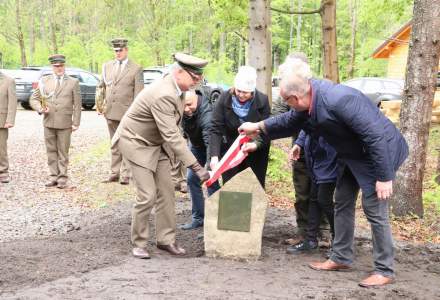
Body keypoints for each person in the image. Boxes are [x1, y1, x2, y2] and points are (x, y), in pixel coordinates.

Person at [238, 58, 408, 287]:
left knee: (374, 210)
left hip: (377, 154)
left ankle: (384, 269)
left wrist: (384, 176)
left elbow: (375, 135)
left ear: (295, 98)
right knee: (342, 201)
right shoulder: (308, 102)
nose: (288, 106)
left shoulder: (339, 99)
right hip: (352, 155)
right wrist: (258, 127)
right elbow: (288, 121)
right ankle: (341, 257)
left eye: (287, 102)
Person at [113, 53, 210, 259]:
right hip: (136, 142)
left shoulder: (180, 89)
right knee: (147, 195)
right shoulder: (164, 93)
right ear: (179, 72)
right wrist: (196, 167)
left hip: (157, 144)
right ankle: (139, 242)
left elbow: (173, 129)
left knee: (166, 192)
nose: (197, 81)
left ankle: (166, 240)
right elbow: (172, 136)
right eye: (194, 77)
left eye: (199, 78)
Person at [210, 66, 270, 188]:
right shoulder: (224, 99)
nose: (241, 95)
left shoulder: (262, 101)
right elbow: (216, 128)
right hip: (231, 152)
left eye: (245, 92)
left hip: (255, 153)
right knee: (232, 189)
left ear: (252, 91)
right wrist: (214, 156)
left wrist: (255, 145)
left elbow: (267, 129)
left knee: (253, 190)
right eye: (238, 91)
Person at [30, 54, 82, 189]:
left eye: (61, 66)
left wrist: (76, 122)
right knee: (51, 151)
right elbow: (33, 99)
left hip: (65, 123)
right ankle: (53, 176)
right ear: (52, 66)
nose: (58, 68)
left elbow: (77, 104)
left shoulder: (73, 82)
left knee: (63, 152)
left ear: (64, 65)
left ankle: (62, 178)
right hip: (49, 121)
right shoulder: (45, 81)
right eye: (56, 66)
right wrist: (40, 108)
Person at [99, 38, 143, 185]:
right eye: (116, 51)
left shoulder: (136, 68)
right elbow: (101, 87)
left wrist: (136, 115)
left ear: (126, 50)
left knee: (126, 144)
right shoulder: (107, 66)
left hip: (127, 114)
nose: (118, 53)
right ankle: (114, 173)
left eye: (120, 50)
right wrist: (100, 105)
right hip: (110, 112)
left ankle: (125, 175)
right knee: (114, 143)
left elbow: (139, 95)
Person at [286, 130, 337, 255]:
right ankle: (311, 240)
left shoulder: (329, 111)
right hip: (314, 157)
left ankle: (339, 243)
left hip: (330, 157)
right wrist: (299, 143)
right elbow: (308, 124)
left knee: (324, 200)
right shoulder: (312, 112)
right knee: (315, 198)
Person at [179, 90, 220, 230]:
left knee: (211, 181)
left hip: (213, 146)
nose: (186, 109)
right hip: (196, 145)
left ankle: (216, 219)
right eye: (183, 105)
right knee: (192, 179)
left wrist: (209, 165)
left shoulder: (207, 114)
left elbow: (210, 142)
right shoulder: (182, 109)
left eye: (189, 105)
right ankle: (198, 218)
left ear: (196, 99)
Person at [0, 71, 17, 183]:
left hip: (1, 120)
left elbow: (12, 102)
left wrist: (10, 120)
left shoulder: (9, 81)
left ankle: (3, 172)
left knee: (1, 148)